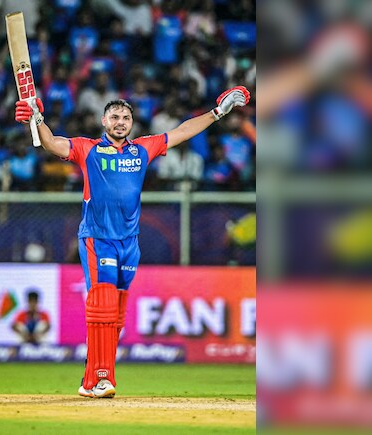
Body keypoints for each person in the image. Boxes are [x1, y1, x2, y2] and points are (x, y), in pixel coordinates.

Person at [14, 86, 250, 398]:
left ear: (132, 123)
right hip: (98, 239)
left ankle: (91, 378)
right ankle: (103, 377)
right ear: (103, 121)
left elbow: (182, 132)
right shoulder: (88, 149)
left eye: (126, 117)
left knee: (116, 314)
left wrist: (217, 113)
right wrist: (37, 119)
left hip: (129, 243)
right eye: (114, 117)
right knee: (102, 304)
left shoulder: (141, 150)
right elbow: (51, 143)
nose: (120, 122)